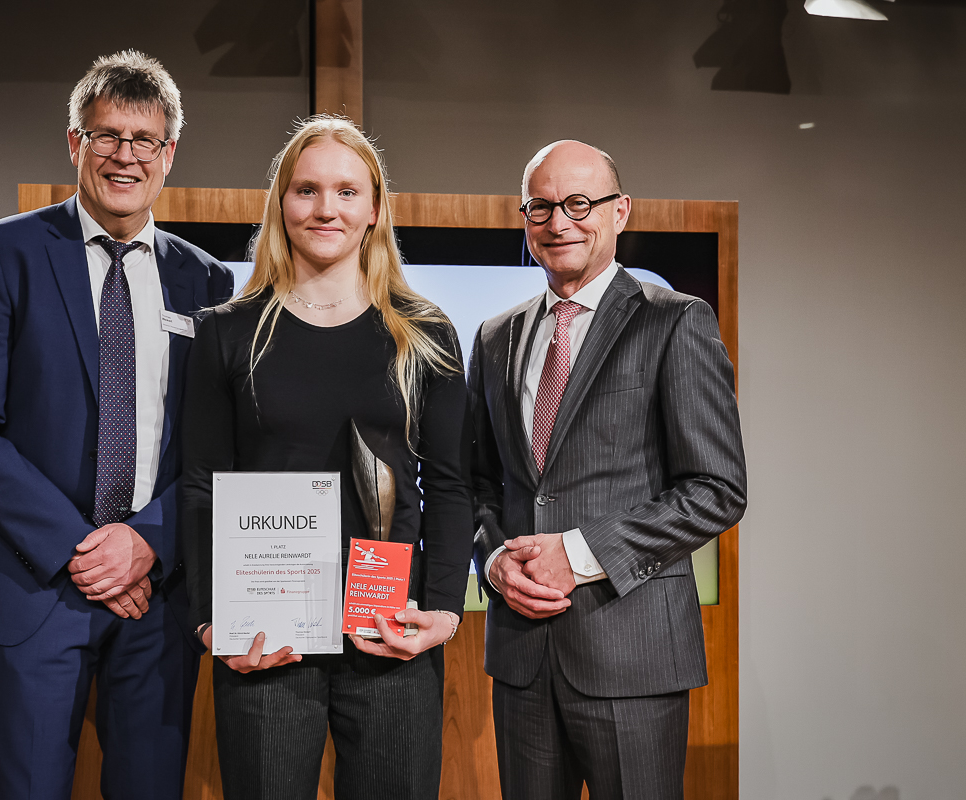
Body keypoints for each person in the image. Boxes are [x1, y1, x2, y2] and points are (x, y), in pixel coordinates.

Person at [0, 50, 234, 799]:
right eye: (106, 136)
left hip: (157, 591)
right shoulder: (7, 252)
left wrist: (146, 541)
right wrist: (82, 550)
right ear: (76, 143)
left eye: (144, 140)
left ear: (169, 154)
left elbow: (217, 444)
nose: (125, 156)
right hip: (36, 584)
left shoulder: (206, 280)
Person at [179, 116, 473, 799]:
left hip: (389, 628)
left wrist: (443, 611)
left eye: (346, 191)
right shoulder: (227, 332)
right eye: (306, 190)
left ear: (374, 209)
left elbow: (450, 485)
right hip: (268, 636)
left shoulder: (424, 332)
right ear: (282, 203)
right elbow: (201, 485)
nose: (325, 208)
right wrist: (210, 618)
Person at [468, 140, 747, 800]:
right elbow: (477, 483)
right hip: (522, 658)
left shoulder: (676, 321)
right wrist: (494, 560)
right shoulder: (494, 336)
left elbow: (717, 489)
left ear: (620, 212)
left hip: (634, 655)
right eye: (540, 207)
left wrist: (577, 553)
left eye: (578, 203)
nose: (558, 222)